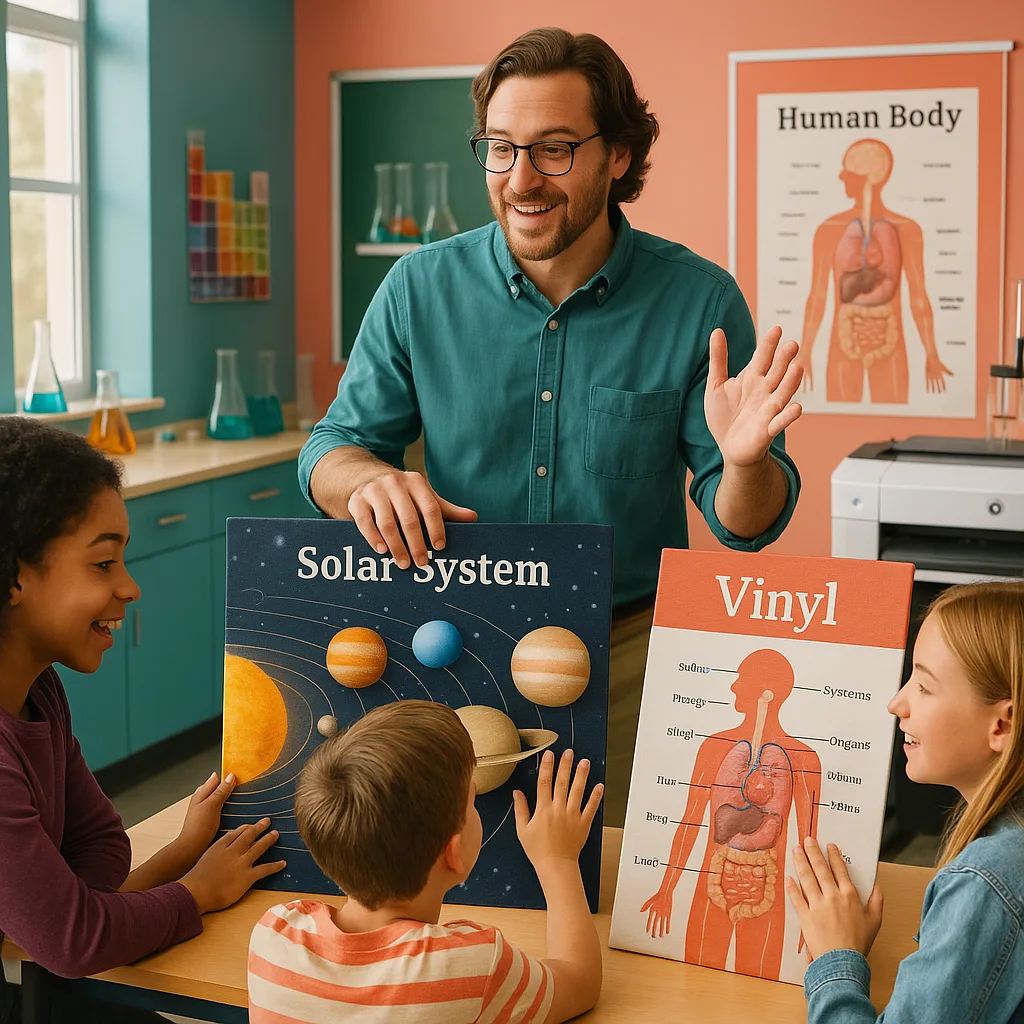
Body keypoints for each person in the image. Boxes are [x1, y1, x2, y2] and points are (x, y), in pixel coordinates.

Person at [299, 27, 803, 826]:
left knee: (611, 908)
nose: (521, 179)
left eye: (555, 149)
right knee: (449, 885)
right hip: (449, 647)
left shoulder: (699, 303)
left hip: (628, 664)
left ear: (620, 156)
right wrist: (366, 478)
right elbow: (329, 449)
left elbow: (747, 526)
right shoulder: (416, 289)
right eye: (500, 149)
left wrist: (742, 465)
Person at [0, 417, 285, 1024]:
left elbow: (97, 852)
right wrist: (198, 891)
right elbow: (72, 940)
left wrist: (185, 851)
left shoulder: (40, 691)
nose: (130, 588)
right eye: (103, 564)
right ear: (15, 576)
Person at [247, 700, 604, 1023]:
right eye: (471, 798)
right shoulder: (472, 967)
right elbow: (581, 981)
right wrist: (557, 859)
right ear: (453, 853)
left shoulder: (273, 933)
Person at [786, 581, 1024, 1022]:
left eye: (925, 687)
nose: (897, 704)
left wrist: (837, 960)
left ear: (1002, 724)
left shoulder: (985, 883)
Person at [640, 649, 821, 981]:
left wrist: (813, 916)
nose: (733, 688)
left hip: (768, 894)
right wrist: (666, 889)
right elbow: (691, 820)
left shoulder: (804, 758)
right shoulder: (715, 747)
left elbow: (808, 841)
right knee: (694, 987)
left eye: (741, 680)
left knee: (760, 997)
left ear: (766, 692)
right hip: (710, 890)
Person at [794, 138, 953, 404]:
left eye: (848, 175)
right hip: (843, 341)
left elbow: (918, 297)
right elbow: (818, 295)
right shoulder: (829, 229)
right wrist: (805, 351)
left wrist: (932, 354)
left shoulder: (906, 229)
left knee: (893, 422)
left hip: (889, 340)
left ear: (868, 179)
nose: (842, 180)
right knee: (841, 425)